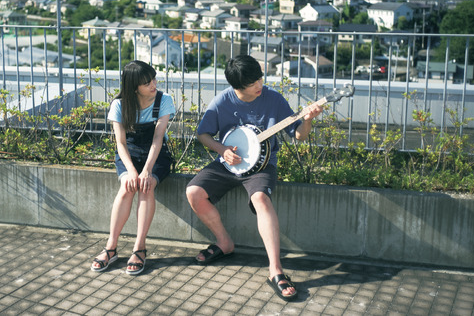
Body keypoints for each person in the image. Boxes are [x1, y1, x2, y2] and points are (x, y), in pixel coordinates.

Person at [186, 54, 322, 301]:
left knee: (261, 199)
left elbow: (299, 135)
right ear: (237, 86)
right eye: (252, 83)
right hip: (228, 163)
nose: (260, 85)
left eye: (260, 78)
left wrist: (308, 120)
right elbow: (203, 134)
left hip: (262, 166)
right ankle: (224, 243)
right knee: (193, 192)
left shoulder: (273, 99)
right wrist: (222, 150)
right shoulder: (222, 102)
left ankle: (275, 270)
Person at [91, 60, 175, 276]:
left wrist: (147, 170)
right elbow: (120, 143)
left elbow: (158, 138)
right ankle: (111, 247)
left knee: (146, 186)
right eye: (147, 82)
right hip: (128, 153)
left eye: (154, 79)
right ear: (134, 86)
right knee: (127, 187)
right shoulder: (119, 105)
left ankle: (139, 248)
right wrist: (130, 170)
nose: (153, 84)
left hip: (157, 154)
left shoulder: (164, 101)